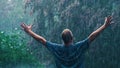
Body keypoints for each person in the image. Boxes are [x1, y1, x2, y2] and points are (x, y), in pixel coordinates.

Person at [21, 16, 112, 68]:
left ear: (62, 39)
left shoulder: (56, 48)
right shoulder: (79, 47)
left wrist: (29, 31)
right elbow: (92, 36)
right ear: (72, 38)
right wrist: (104, 26)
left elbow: (42, 40)